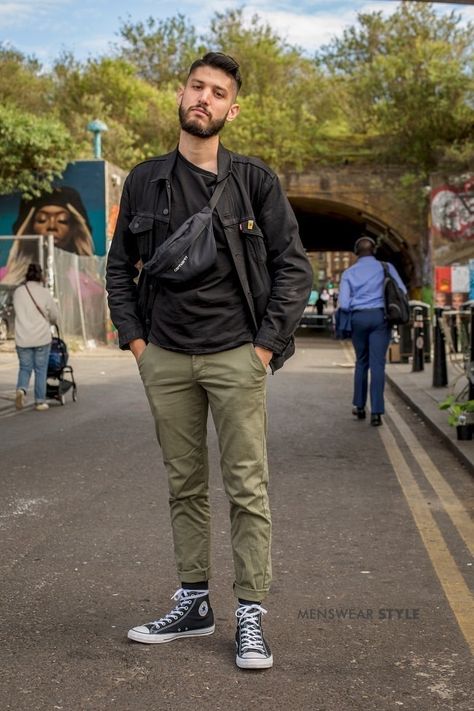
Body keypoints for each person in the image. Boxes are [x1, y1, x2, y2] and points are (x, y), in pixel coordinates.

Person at [106, 52, 312, 670]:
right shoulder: (145, 180)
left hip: (234, 355)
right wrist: (138, 345)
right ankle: (194, 603)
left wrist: (263, 348)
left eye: (218, 93)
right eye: (197, 87)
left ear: (231, 109)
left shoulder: (254, 181)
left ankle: (250, 612)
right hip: (165, 356)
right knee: (184, 486)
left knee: (248, 486)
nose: (204, 98)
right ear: (180, 93)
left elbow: (293, 268)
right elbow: (119, 269)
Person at [338, 236, 407, 426]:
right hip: (380, 317)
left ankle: (359, 406)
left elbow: (343, 303)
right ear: (374, 250)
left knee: (361, 362)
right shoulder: (386, 268)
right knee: (378, 364)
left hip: (358, 318)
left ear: (356, 252)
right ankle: (376, 412)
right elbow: (402, 291)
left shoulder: (349, 273)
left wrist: (358, 302)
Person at [1, 187, 94, 285]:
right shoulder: (5, 280)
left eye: (62, 220)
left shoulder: (86, 285)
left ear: (74, 229)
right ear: (29, 228)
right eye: (42, 219)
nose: (52, 226)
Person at [13, 262, 58, 411]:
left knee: (25, 368)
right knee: (40, 369)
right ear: (40, 276)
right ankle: (40, 401)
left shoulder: (18, 292)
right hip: (41, 337)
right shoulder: (44, 292)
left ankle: (22, 389)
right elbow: (54, 315)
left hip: (22, 337)